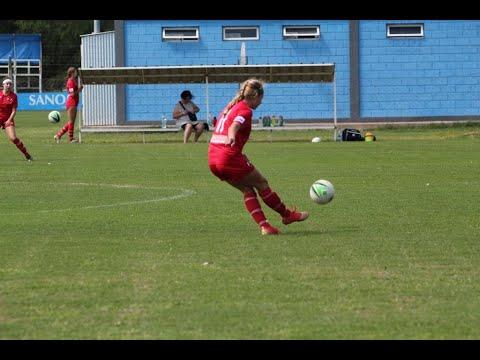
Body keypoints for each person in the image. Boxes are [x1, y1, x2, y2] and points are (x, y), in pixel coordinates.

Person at [208, 78, 308, 235]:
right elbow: (235, 125)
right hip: (228, 156)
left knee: (247, 189)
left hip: (213, 159)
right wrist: (233, 135)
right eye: (261, 98)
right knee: (262, 183)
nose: (261, 103)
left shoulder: (229, 107)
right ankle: (287, 215)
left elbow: (222, 124)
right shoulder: (245, 110)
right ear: (255, 96)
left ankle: (265, 227)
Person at [0, 77, 32, 161]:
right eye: (7, 83)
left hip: (8, 119)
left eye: (10, 84)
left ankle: (26, 154)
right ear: (3, 85)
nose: (9, 85)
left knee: (13, 138)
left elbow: (14, 111)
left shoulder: (13, 96)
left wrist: (9, 120)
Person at [54, 66, 83, 143]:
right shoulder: (70, 81)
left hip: (74, 103)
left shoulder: (73, 80)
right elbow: (72, 94)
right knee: (71, 122)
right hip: (71, 103)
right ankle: (71, 139)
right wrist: (79, 90)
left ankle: (58, 135)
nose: (76, 73)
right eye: (75, 72)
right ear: (72, 73)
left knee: (71, 122)